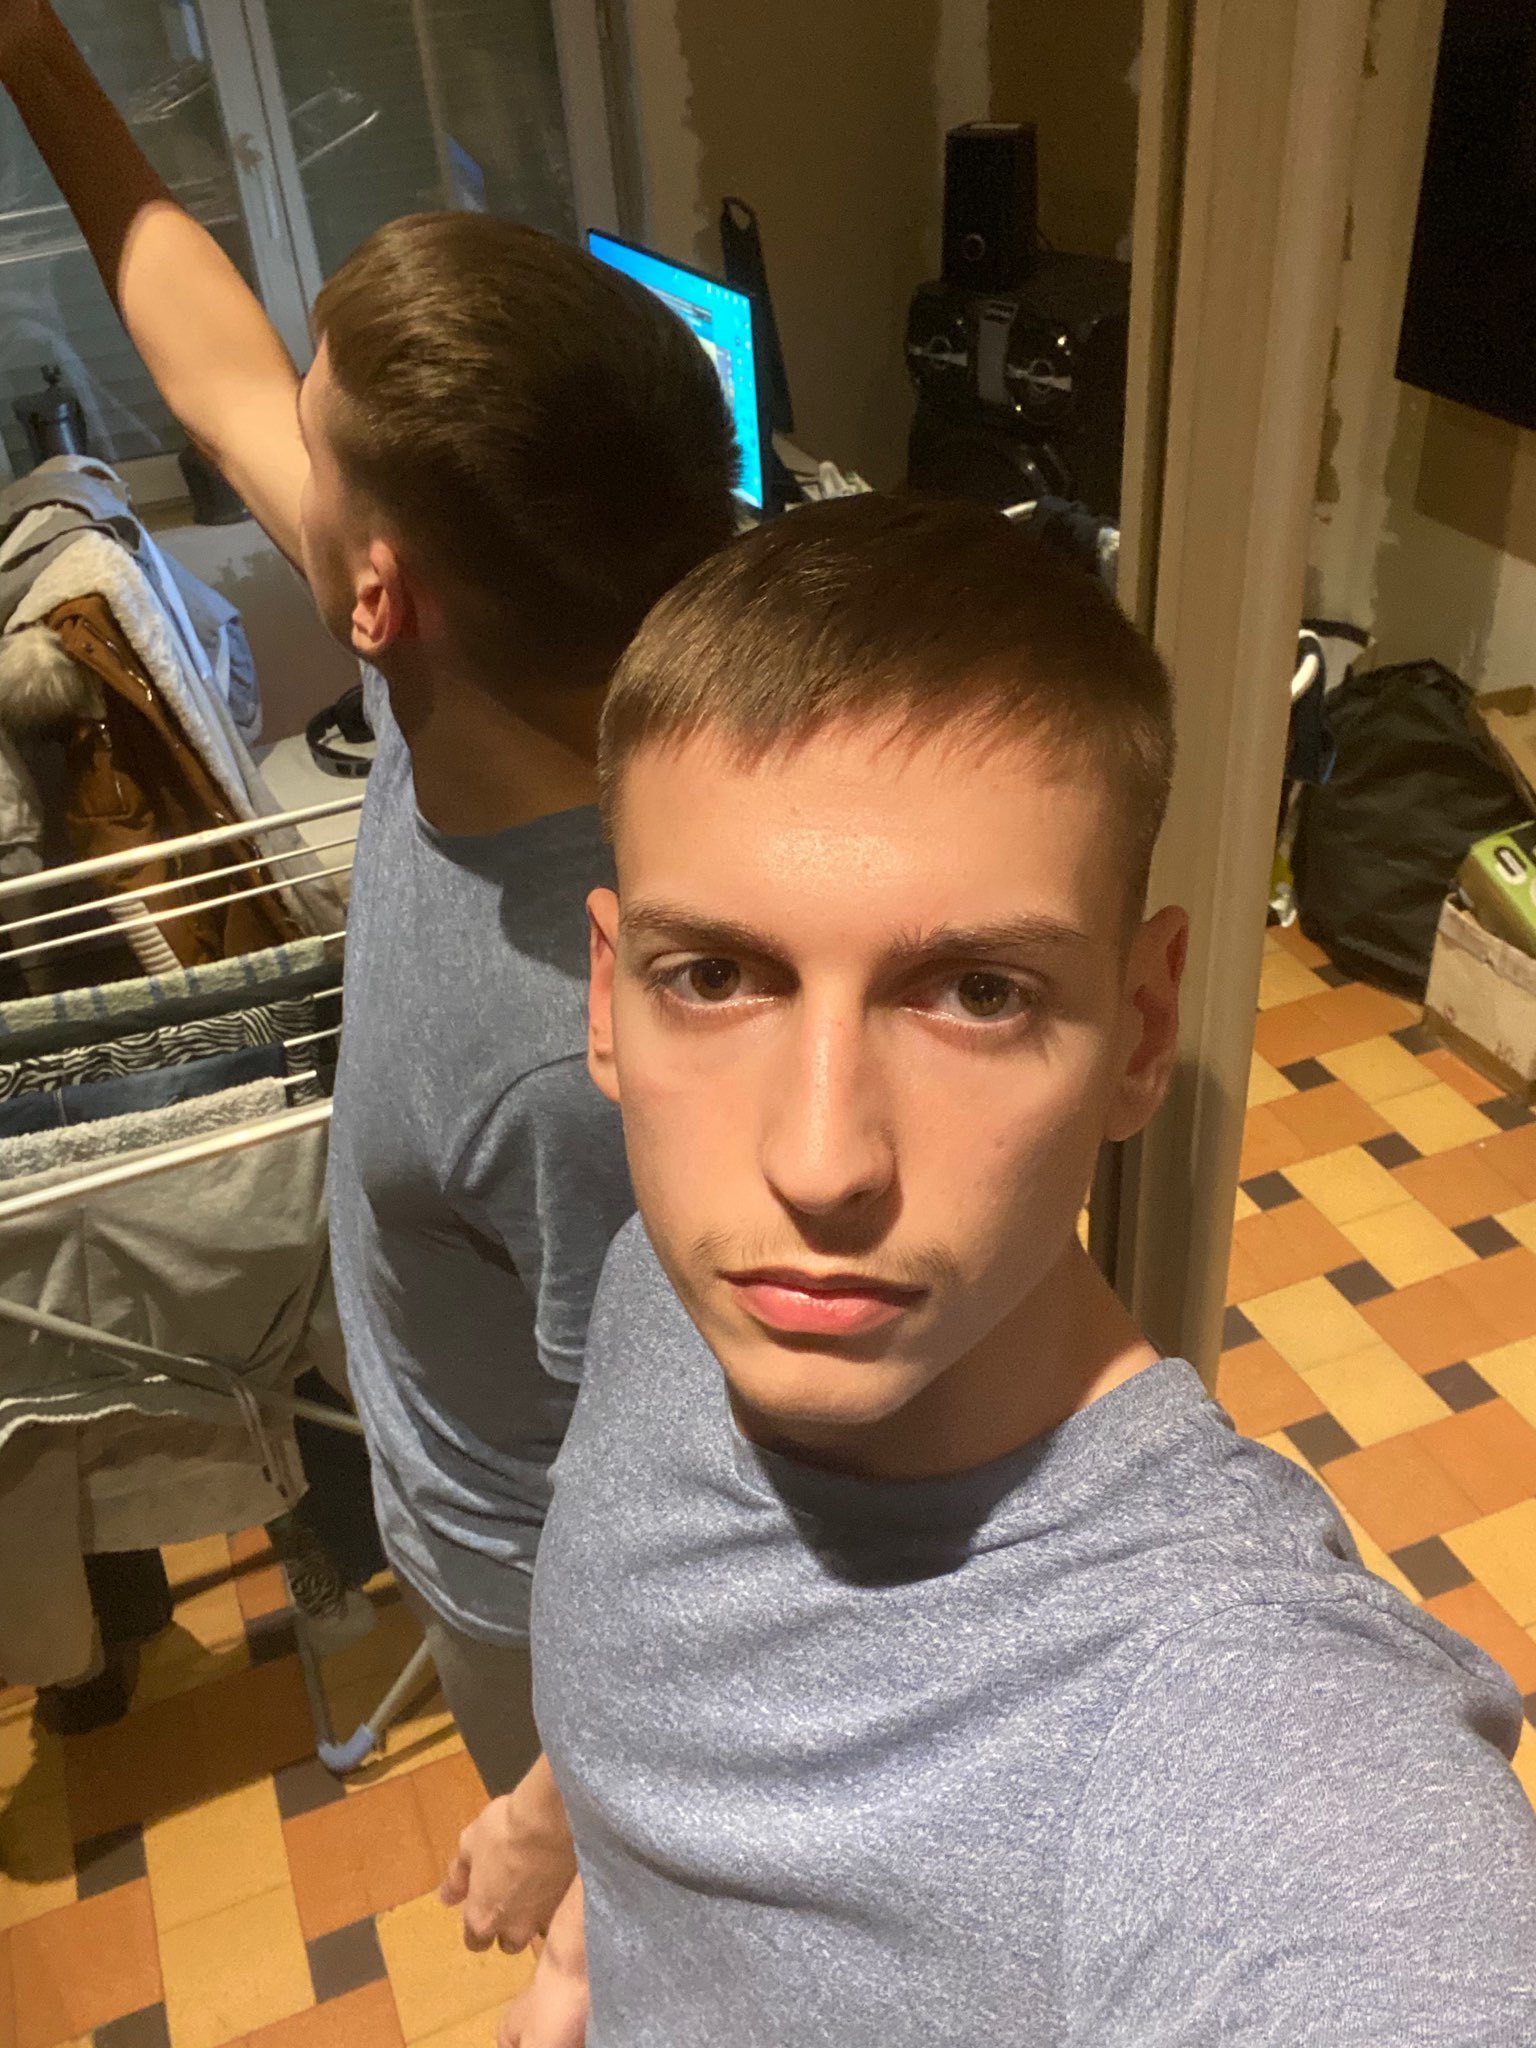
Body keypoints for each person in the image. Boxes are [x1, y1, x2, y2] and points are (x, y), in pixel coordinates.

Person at [486, 494, 1536, 2045]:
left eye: (977, 993)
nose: (819, 1163)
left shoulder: (1245, 1727)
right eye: (713, 977)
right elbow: (667, 1626)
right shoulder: (672, 1277)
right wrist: (578, 1869)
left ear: (1144, 1031)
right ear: (607, 998)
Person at [0, 0, 737, 1870]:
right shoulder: (496, 672)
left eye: (314, 456)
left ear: (378, 596)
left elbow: (700, 1496)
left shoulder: (587, 1056)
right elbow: (213, 363)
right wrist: (38, 55)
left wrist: (570, 1814)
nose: (276, 453)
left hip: (537, 1625)